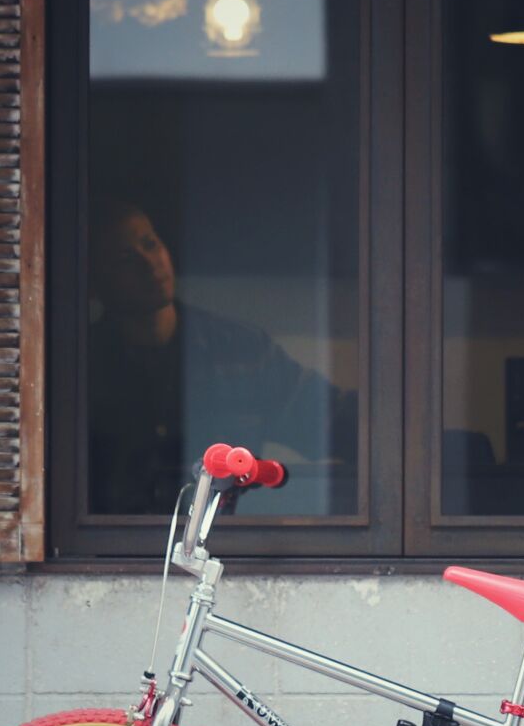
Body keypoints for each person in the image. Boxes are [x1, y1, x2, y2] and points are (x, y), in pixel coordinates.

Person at [86, 196, 357, 515]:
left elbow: (331, 421)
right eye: (125, 258)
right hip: (113, 550)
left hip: (219, 546)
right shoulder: (84, 367)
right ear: (97, 280)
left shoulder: (242, 351)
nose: (149, 263)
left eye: (150, 243)